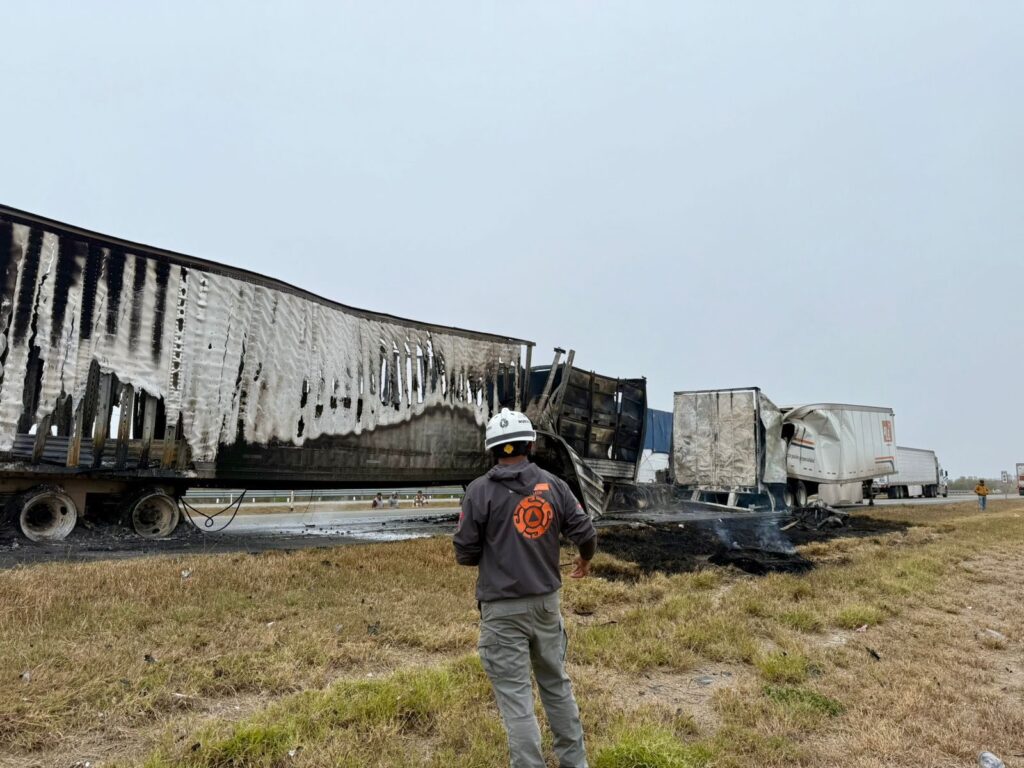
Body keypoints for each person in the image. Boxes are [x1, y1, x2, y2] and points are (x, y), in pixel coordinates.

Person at [454, 407, 596, 768]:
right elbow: (585, 532)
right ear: (529, 445)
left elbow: (465, 552)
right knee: (556, 686)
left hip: (501, 612)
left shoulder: (478, 492)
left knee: (517, 701)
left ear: (492, 450)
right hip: (547, 607)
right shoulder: (555, 486)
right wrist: (585, 558)